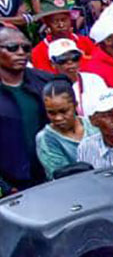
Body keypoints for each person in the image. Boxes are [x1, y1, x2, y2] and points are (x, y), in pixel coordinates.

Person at [0, 27, 52, 191]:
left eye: (26, 48)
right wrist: (4, 186)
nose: (21, 52)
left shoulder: (46, 82)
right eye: (12, 48)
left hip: (50, 176)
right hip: (12, 185)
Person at [35, 79, 96, 179]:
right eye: (51, 113)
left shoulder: (93, 125)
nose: (58, 118)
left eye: (64, 111)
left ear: (75, 105)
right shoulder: (46, 138)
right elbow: (61, 175)